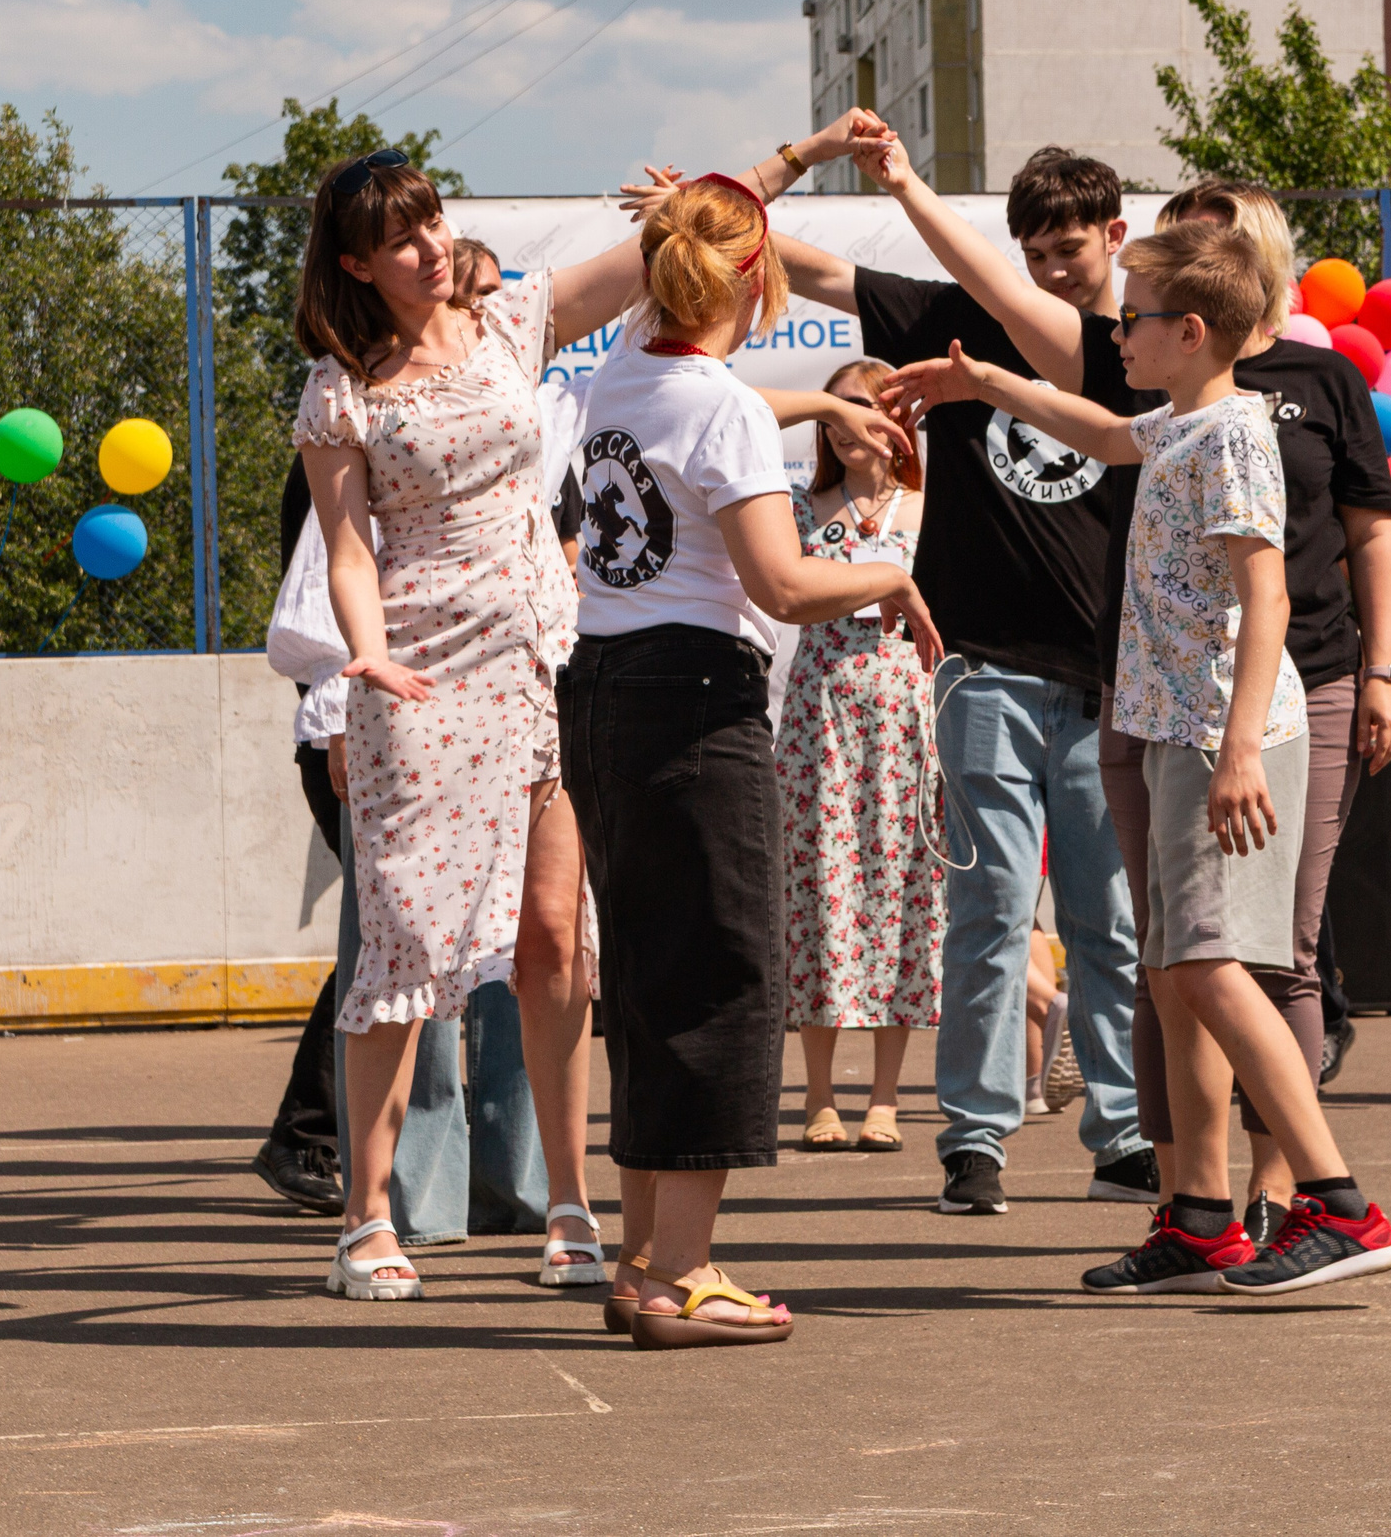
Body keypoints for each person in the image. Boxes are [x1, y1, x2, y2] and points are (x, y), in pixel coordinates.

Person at [296, 120, 906, 1302]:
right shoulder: (343, 391)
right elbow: (348, 551)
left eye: (430, 222)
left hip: (547, 665)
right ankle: (367, 1216)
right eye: (397, 239)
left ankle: (570, 1203)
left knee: (557, 939)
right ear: (357, 265)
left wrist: (802, 156)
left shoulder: (511, 323)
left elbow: (674, 248)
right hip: (420, 675)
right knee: (408, 945)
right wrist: (363, 657)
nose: (427, 248)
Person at [864, 160, 1391, 1248]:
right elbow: (1100, 432)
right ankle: (1199, 1217)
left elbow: (1265, 595)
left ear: (1194, 332)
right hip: (1166, 730)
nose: (1116, 332)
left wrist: (1241, 746)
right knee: (1166, 965)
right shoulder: (1174, 425)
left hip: (1220, 737)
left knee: (1210, 963)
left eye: (1139, 319)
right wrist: (988, 385)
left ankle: (1336, 1202)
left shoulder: (1239, 435)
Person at [565, 172, 942, 1350]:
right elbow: (783, 584)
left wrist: (823, 413)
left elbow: (710, 401)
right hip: (695, 701)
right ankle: (684, 1274)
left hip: (604, 691)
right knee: (724, 978)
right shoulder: (720, 407)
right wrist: (888, 572)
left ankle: (639, 1263)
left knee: (642, 983)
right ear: (758, 280)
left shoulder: (624, 365)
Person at [771, 147, 1160, 1216]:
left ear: (1115, 237)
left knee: (1106, 922)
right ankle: (975, 1139)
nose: (1051, 271)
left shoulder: (1139, 348)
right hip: (978, 669)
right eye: (1031, 254)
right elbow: (809, 272)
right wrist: (718, 206)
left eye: (1071, 250)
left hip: (1101, 679)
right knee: (985, 910)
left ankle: (1121, 1133)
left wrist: (905, 186)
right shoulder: (951, 319)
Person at [780, 356, 944, 1154]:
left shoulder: (928, 508)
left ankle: (886, 1095)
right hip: (821, 722)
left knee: (903, 892)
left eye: (865, 409)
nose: (847, 426)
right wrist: (876, 583)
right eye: (835, 412)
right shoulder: (797, 507)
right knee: (820, 898)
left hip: (908, 721)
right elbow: (790, 590)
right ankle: (817, 1091)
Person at [251, 453, 348, 1215]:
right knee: (385, 936)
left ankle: (315, 1130)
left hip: (357, 729)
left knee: (395, 937)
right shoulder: (337, 441)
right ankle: (305, 1131)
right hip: (345, 732)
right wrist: (343, 717)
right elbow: (324, 599)